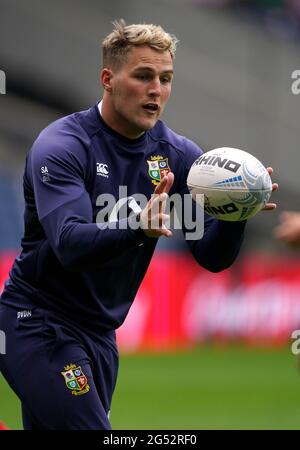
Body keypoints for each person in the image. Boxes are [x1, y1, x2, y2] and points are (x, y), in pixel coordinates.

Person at [0, 19, 278, 430]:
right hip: (37, 323)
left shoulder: (180, 155)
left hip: (100, 335)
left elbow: (210, 257)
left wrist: (234, 215)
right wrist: (137, 227)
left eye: (165, 78)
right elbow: (68, 242)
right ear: (108, 79)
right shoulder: (62, 145)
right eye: (143, 76)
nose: (156, 89)